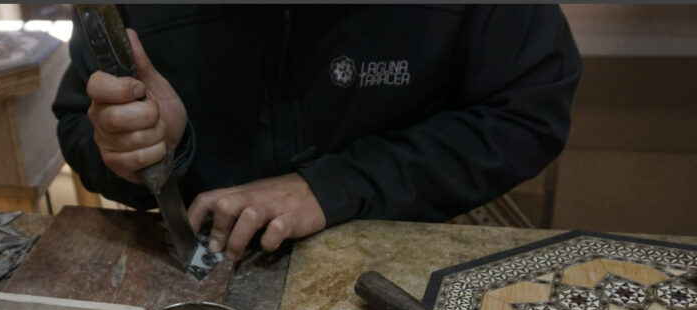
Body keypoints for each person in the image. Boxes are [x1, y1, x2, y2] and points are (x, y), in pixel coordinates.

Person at [52, 5, 581, 262]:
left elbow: (528, 109)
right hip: (198, 253)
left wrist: (338, 184)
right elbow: (79, 117)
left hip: (400, 235)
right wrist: (139, 150)